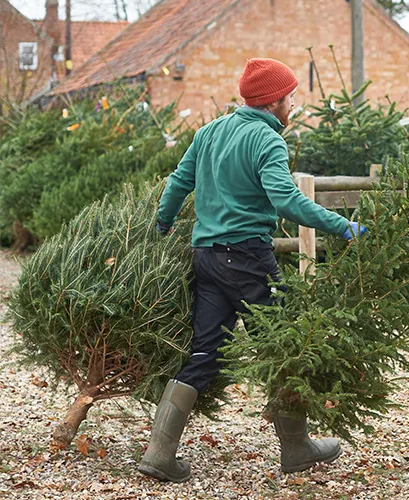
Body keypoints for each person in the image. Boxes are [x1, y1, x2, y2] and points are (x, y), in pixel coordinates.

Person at [138, 58, 367, 483]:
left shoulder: (208, 132)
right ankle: (297, 447)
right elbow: (287, 202)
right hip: (247, 260)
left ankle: (159, 453)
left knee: (204, 353)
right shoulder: (266, 140)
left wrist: (163, 224)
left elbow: (177, 183)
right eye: (292, 97)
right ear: (274, 101)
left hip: (206, 257)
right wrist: (342, 226)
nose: (294, 104)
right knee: (284, 347)